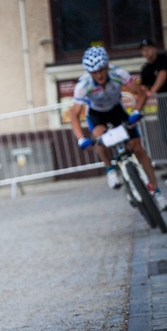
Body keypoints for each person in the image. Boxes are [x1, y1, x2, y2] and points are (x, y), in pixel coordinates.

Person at [69, 46, 167, 210]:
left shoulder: (118, 73)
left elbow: (141, 93)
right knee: (99, 137)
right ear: (89, 72)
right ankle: (110, 169)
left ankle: (157, 192)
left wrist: (136, 111)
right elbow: (74, 115)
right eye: (94, 72)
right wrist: (81, 139)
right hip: (96, 113)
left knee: (137, 148)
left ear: (107, 66)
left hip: (116, 110)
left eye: (101, 70)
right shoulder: (83, 84)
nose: (99, 75)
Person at [139, 39, 167, 148]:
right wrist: (145, 92)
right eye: (143, 50)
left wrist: (152, 91)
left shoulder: (163, 59)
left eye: (148, 49)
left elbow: (162, 75)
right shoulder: (145, 69)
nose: (146, 52)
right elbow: (143, 86)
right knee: (164, 128)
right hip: (162, 102)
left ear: (154, 49)